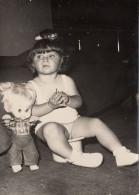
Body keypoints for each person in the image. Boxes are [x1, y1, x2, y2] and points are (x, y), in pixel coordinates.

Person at [27, 31, 138, 168]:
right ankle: (75, 157)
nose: (44, 59)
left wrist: (68, 100)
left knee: (96, 123)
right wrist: (50, 105)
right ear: (33, 62)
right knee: (52, 129)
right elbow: (31, 111)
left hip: (73, 123)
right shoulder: (31, 86)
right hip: (46, 127)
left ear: (61, 60)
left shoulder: (66, 80)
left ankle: (120, 153)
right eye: (39, 56)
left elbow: (78, 101)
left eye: (51, 55)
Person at [0, 82, 39, 173]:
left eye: (27, 110)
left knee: (32, 152)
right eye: (19, 110)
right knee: (13, 152)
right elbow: (8, 126)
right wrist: (6, 120)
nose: (24, 114)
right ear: (9, 108)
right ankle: (15, 164)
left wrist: (34, 120)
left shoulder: (27, 119)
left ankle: (32, 163)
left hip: (28, 140)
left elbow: (31, 124)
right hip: (15, 141)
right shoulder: (13, 120)